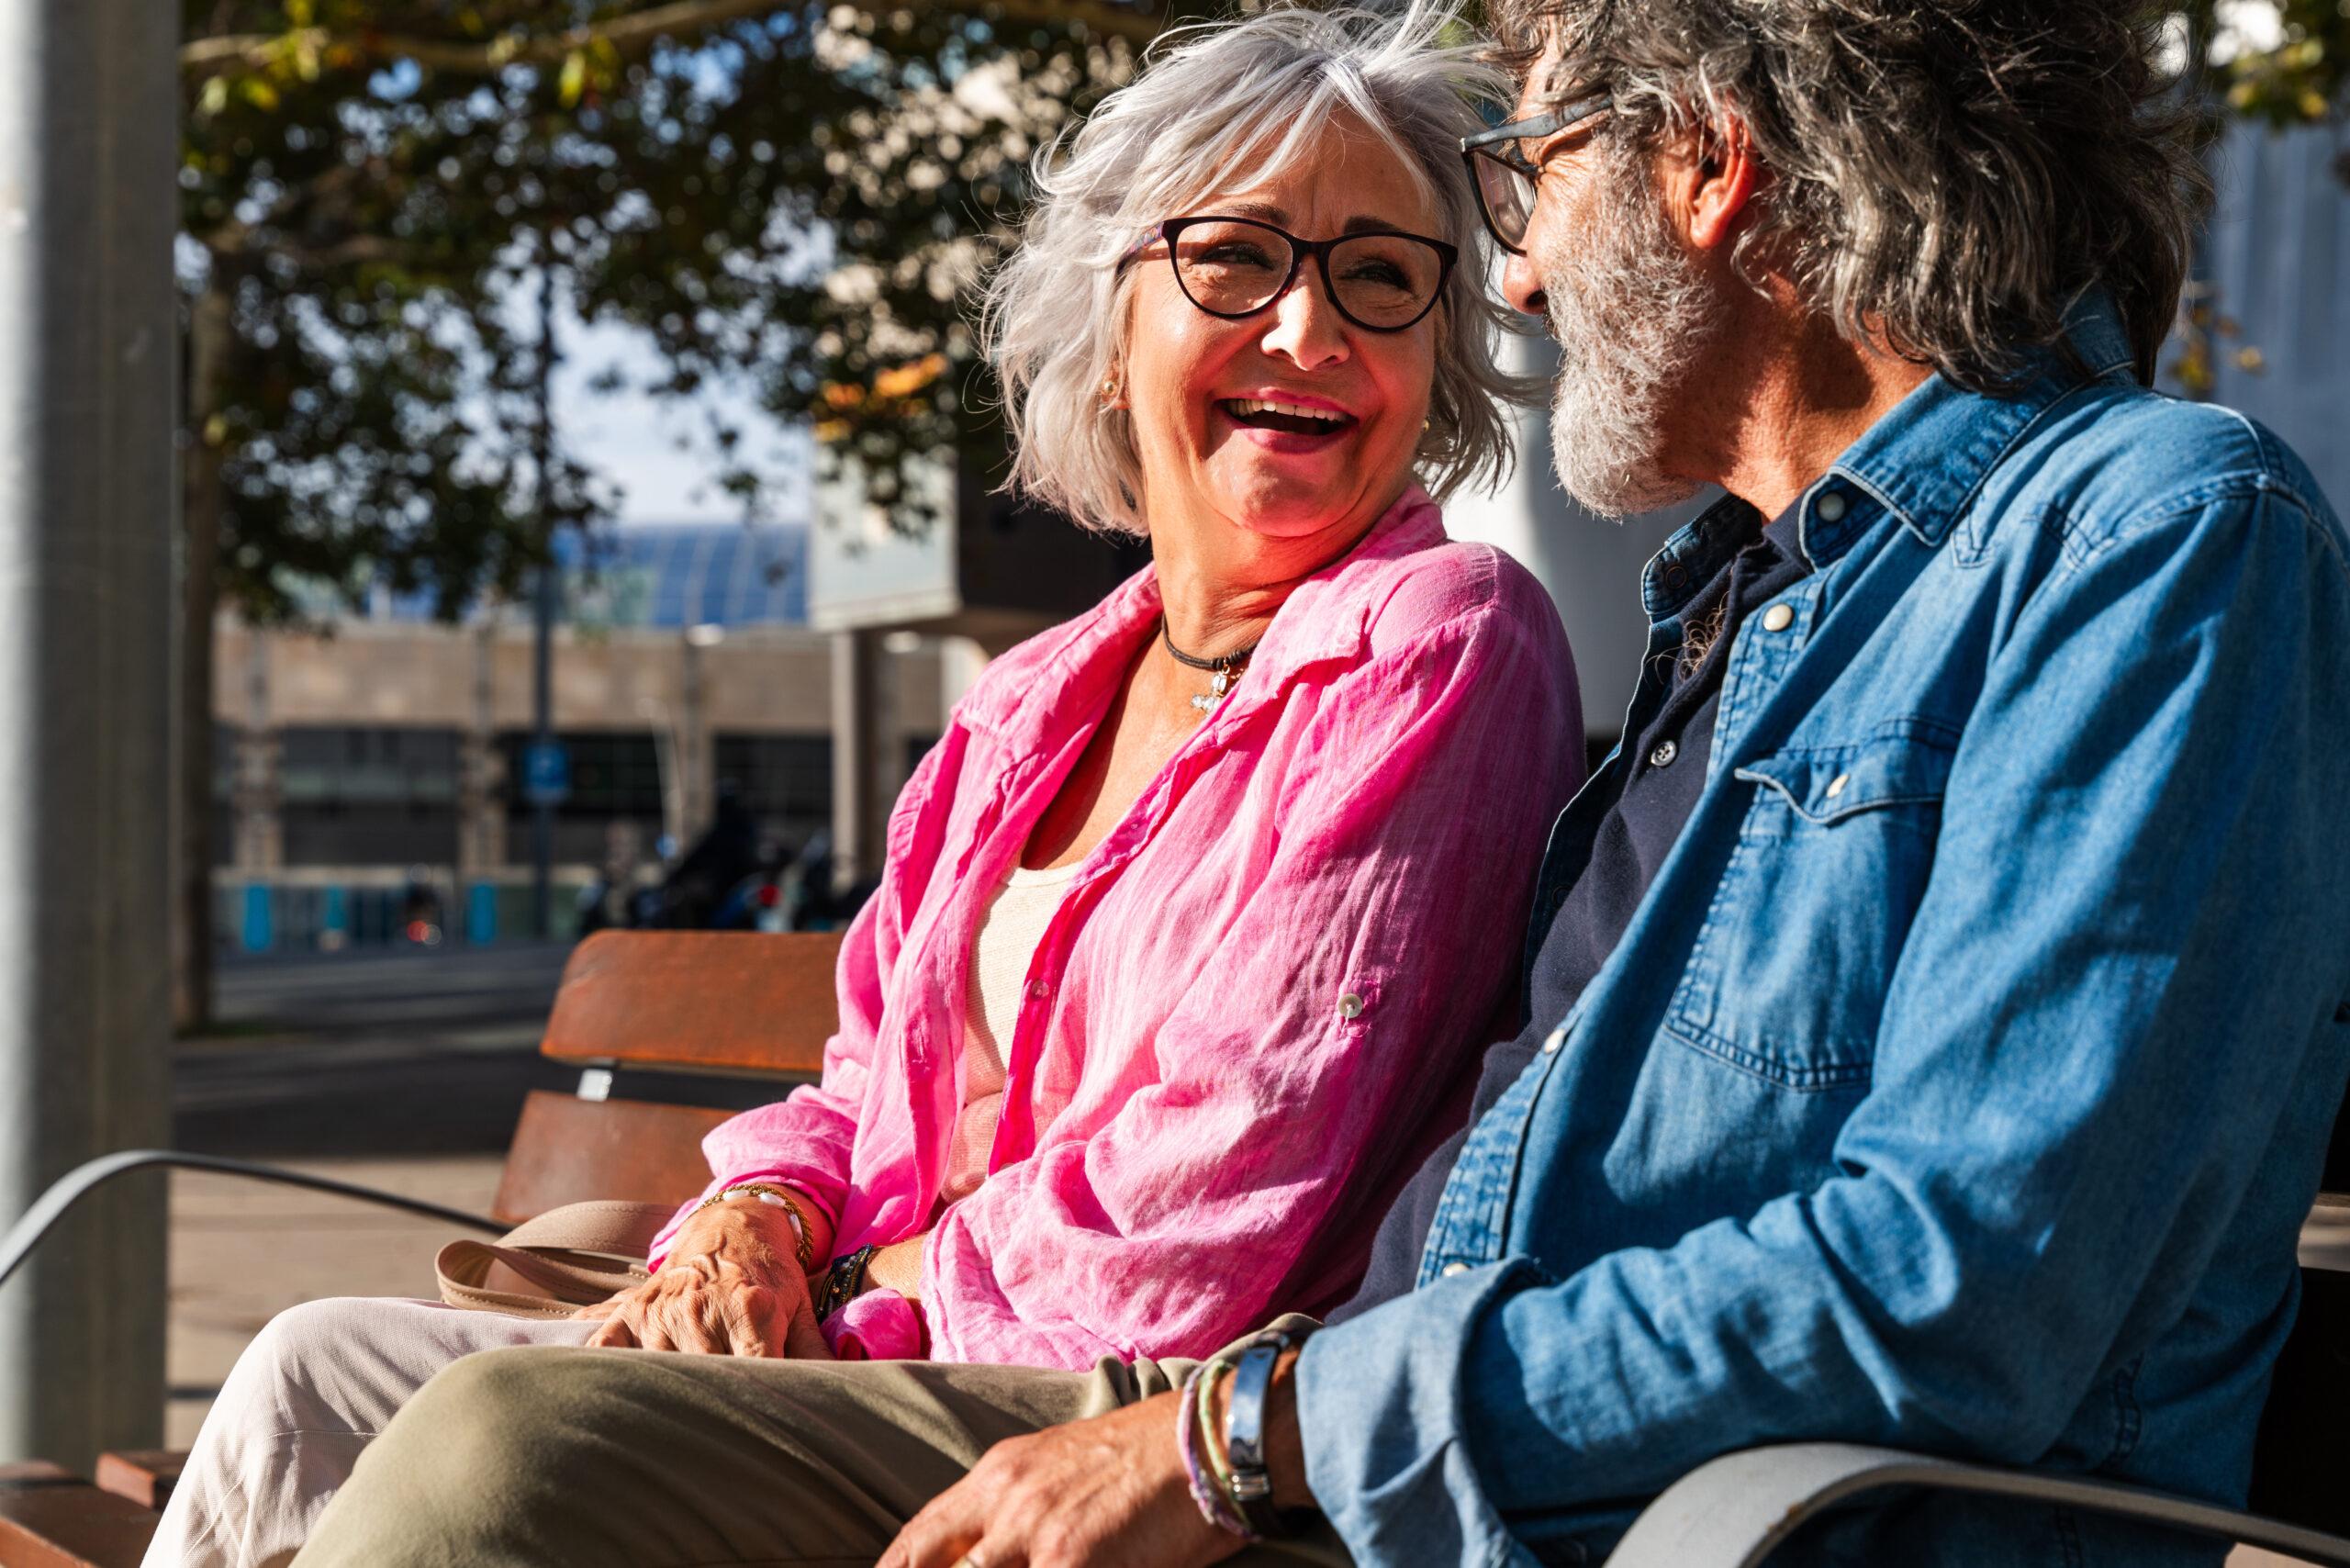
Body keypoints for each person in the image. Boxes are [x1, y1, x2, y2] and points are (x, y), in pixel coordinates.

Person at [290, 0, 2350, 1564]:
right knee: (348, 1394)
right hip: (1395, 1477)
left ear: (1706, 165)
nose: (1513, 280)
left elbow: (1954, 1282)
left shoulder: (2153, 534)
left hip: (1601, 1511)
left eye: (1515, 189)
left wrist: (1234, 1428)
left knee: (496, 1460)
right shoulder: (1744, 611)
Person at [147, 9, 1582, 1567]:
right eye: (1236, 258)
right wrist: (756, 1226)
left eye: (1379, 277)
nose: (1311, 335)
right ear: (1112, 325)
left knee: (496, 1447)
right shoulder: (1030, 700)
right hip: (882, 1342)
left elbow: (1208, 1215)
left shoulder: (1441, 648)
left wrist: (840, 1298)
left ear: (1434, 351)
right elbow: (855, 1088)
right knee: (305, 1380)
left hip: (1124, 1412)